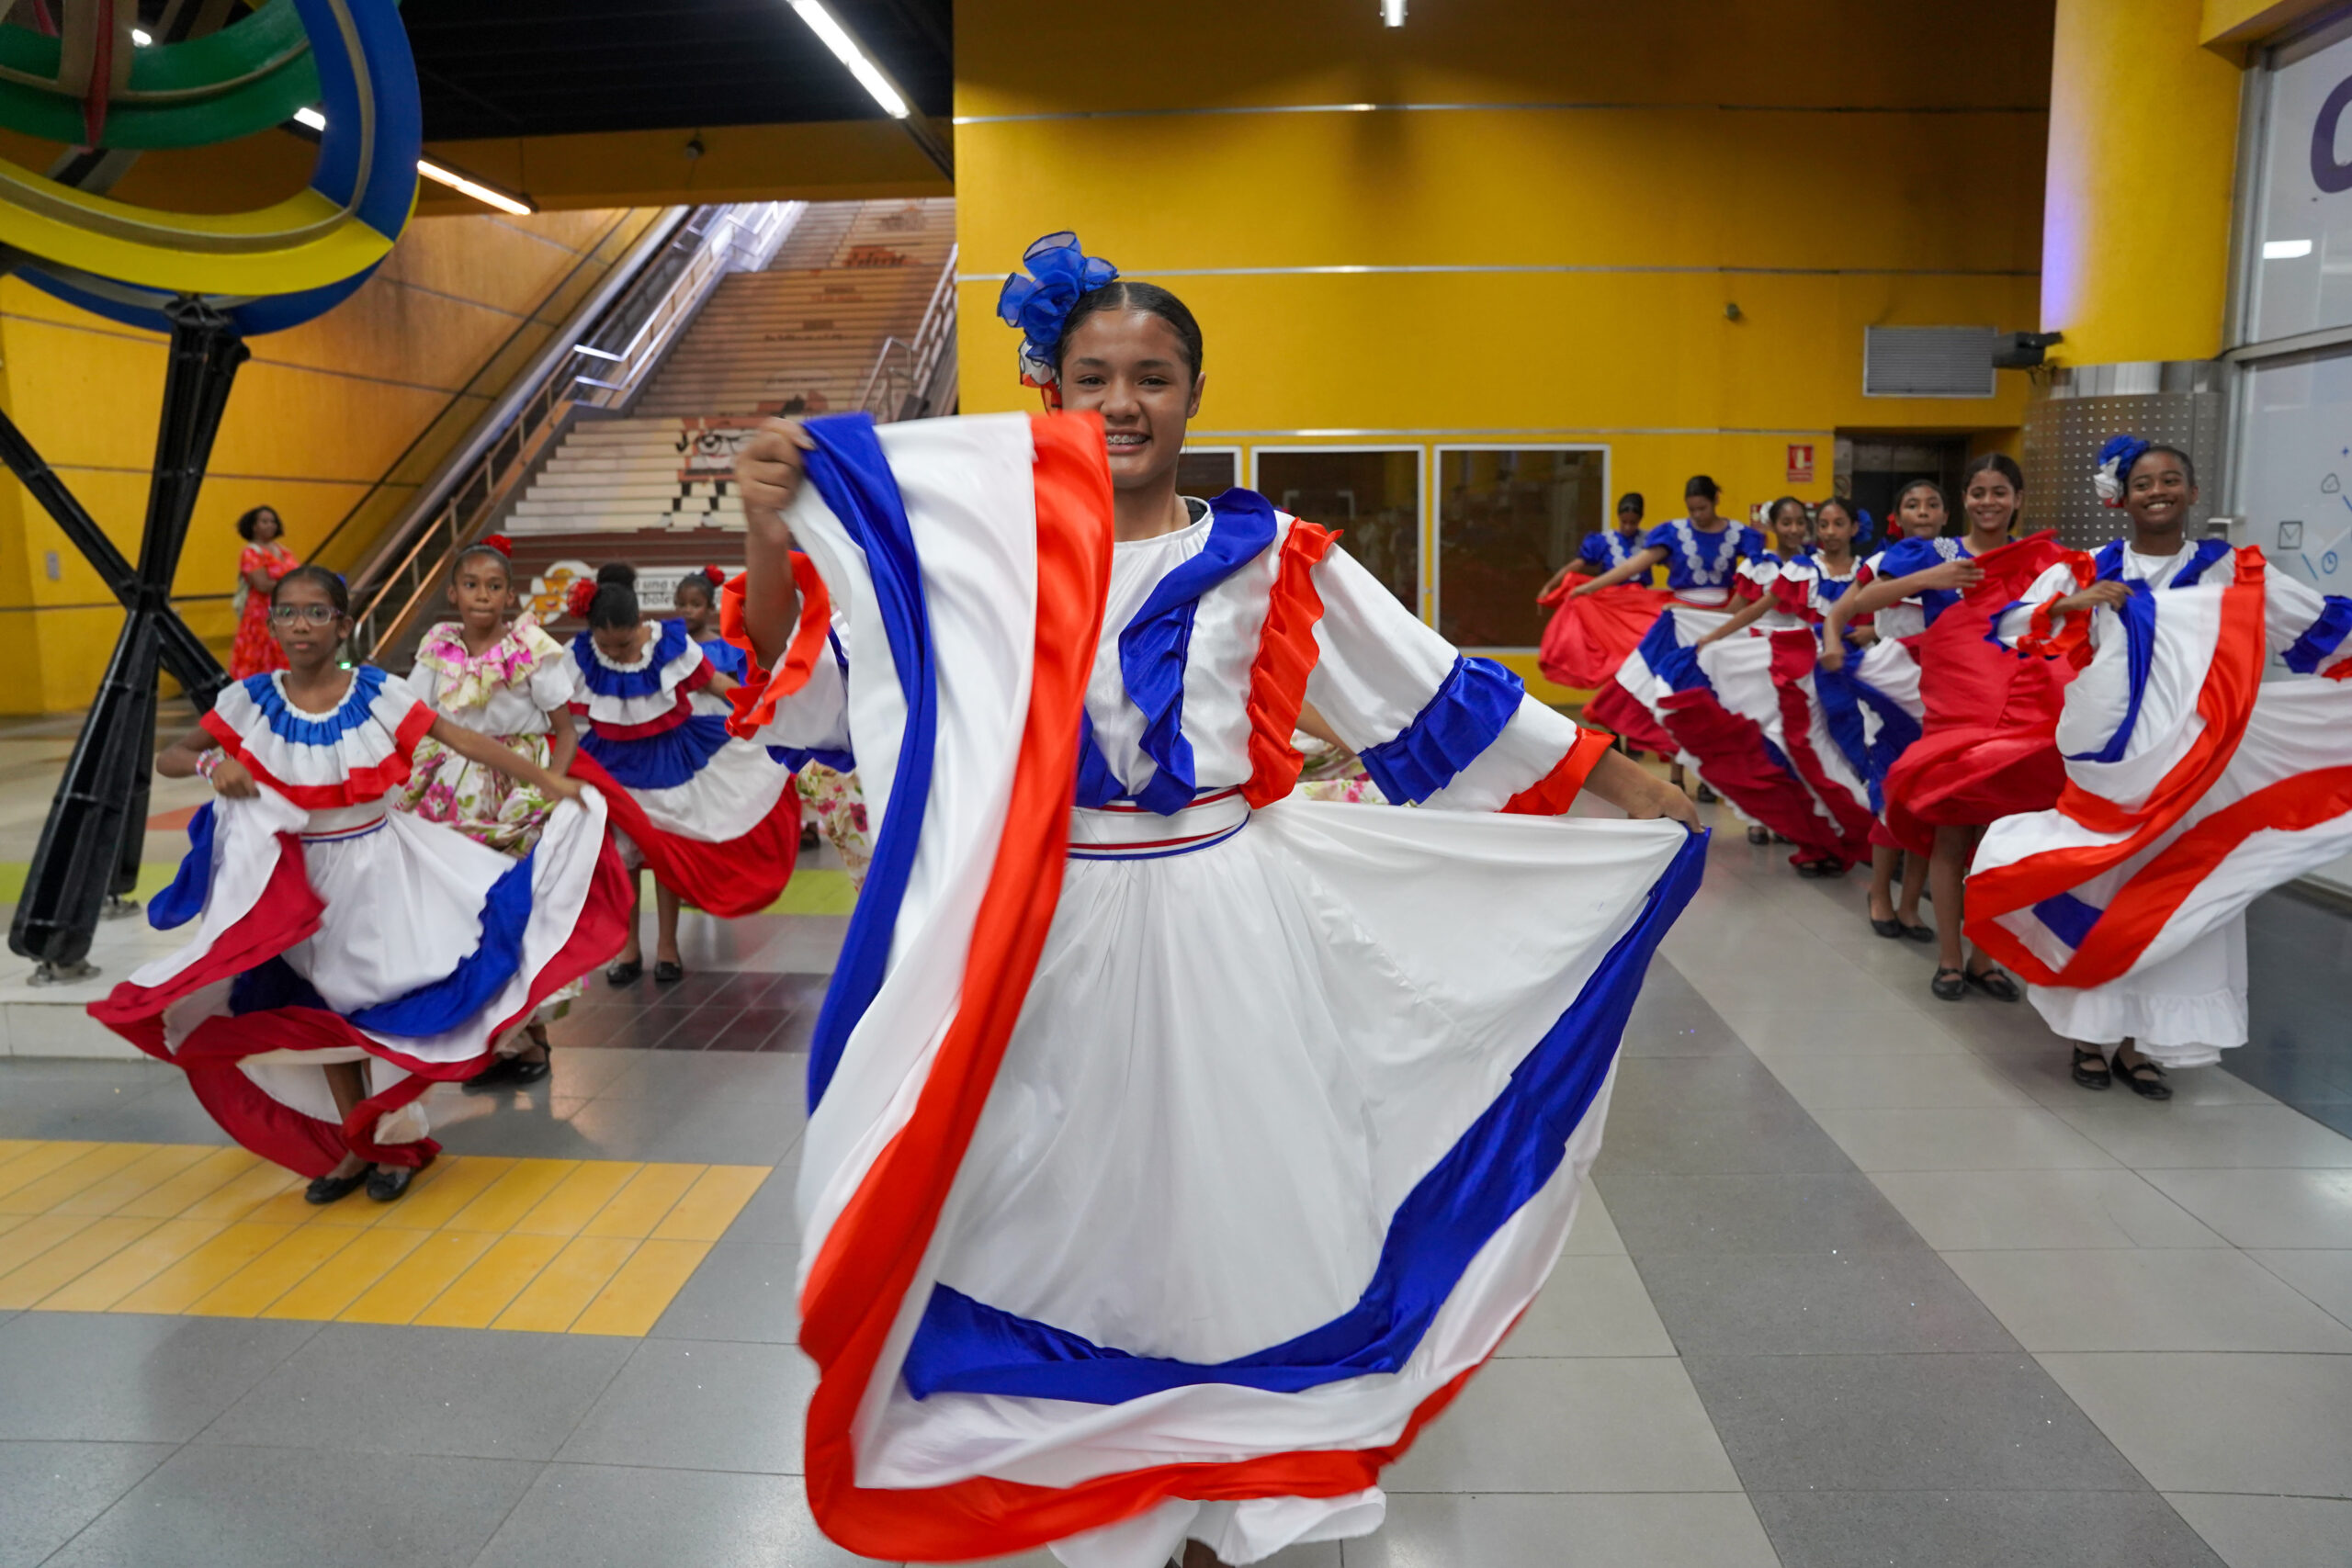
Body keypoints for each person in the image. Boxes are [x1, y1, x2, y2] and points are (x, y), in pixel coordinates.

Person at [725, 232, 1702, 1568]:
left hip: (1226, 919)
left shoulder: (1274, 555)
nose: (1122, 403)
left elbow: (1434, 691)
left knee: (1231, 1213)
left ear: (1195, 393)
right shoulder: (978, 568)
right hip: (1040, 933)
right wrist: (770, 525)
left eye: (1155, 375)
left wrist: (1617, 777)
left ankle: (1213, 1504)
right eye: (1092, 375)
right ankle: (1097, 1485)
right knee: (1048, 1211)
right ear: (1048, 390)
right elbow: (819, 684)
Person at [88, 567, 628, 1201]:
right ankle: (356, 1142)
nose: (301, 625)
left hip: (379, 870)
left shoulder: (375, 692)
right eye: (288, 613)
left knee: (384, 1001)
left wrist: (552, 782)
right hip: (293, 888)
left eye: (317, 613)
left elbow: (460, 738)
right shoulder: (251, 698)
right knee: (324, 1010)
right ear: (273, 624)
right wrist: (214, 762)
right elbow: (173, 755)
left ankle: (394, 1137)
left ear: (343, 625)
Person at [1969, 437, 2352, 1099]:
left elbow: (2315, 625)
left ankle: (2142, 1042)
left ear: (2193, 493)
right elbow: (2009, 623)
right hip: (2115, 762)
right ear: (2124, 496)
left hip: (2199, 762)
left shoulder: (2232, 569)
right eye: (2144, 482)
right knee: (2106, 885)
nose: (2157, 491)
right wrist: (2071, 605)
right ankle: (2092, 1036)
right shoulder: (2089, 566)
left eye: (2171, 480)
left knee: (2174, 891)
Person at [1822, 457, 2034, 1002]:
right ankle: (1947, 959)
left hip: (2012, 706)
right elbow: (1859, 604)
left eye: (2000, 492)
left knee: (1998, 837)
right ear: (1964, 500)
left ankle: (1985, 958)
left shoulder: (2035, 558)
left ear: (2018, 499)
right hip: (1947, 706)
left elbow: (2053, 614)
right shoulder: (1933, 552)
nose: (1989, 502)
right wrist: (1929, 580)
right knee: (1949, 830)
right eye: (1979, 492)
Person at [395, 535, 582, 1087]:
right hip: (443, 792)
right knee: (458, 917)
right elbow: (411, 718)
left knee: (509, 913)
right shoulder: (437, 646)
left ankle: (535, 1039)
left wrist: (546, 789)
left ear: (510, 595)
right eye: (471, 585)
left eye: (494, 586)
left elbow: (564, 729)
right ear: (453, 593)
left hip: (512, 793)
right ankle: (495, 1042)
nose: (482, 595)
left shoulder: (531, 648)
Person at [1577, 479, 1847, 861]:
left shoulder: (1814, 566)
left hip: (1805, 658)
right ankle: (1757, 816)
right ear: (1772, 526)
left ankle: (1810, 815)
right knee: (1752, 729)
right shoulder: (1761, 566)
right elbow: (1737, 611)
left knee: (1805, 739)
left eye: (1800, 522)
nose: (1793, 529)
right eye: (1785, 522)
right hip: (1750, 651)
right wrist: (1692, 621)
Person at [563, 562, 800, 985]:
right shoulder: (580, 655)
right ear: (592, 632)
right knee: (624, 859)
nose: (616, 654)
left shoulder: (668, 644)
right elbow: (555, 709)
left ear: (640, 622)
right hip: (613, 768)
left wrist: (764, 709)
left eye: (624, 644)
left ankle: (667, 945)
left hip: (671, 760)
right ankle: (629, 946)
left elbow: (715, 684)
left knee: (668, 851)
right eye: (608, 646)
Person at [229, 504, 298, 679]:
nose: (270, 525)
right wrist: (292, 583)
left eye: (273, 521)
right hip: (261, 616)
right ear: (253, 526)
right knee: (261, 658)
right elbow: (262, 585)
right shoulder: (250, 552)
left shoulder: (284, 551)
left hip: (287, 612)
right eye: (264, 521)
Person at [1536, 491, 1647, 597]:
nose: (1627, 527)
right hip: (1610, 601)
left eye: (1633, 523)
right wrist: (1549, 586)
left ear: (1640, 519)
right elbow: (1576, 565)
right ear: (1618, 517)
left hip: (1639, 600)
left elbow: (1663, 556)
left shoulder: (1647, 540)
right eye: (1624, 522)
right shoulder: (1604, 541)